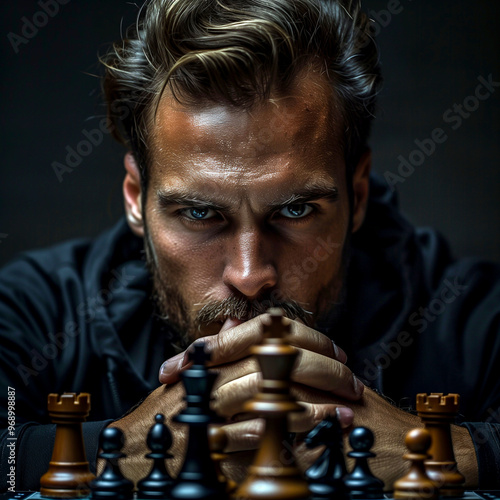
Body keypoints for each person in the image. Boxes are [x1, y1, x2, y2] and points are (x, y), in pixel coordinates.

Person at [1, 0, 499, 492]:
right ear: (136, 198)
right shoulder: (34, 310)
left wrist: (428, 448)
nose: (248, 274)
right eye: (200, 213)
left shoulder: (473, 318)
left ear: (359, 194)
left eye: (295, 210)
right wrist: (129, 446)